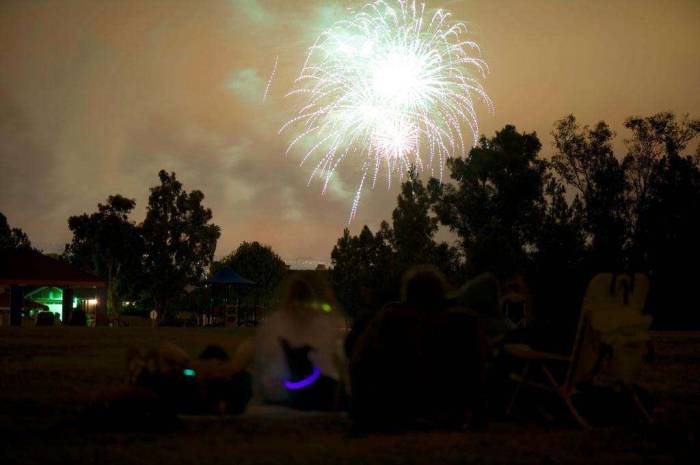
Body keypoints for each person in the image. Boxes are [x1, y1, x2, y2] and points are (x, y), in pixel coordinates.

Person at [349, 265, 489, 431]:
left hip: (393, 408)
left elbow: (359, 363)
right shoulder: (464, 323)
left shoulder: (389, 320)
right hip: (444, 408)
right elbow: (480, 365)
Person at [254, 274, 346, 410]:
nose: (301, 310)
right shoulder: (276, 325)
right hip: (289, 392)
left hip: (295, 392)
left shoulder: (324, 326)